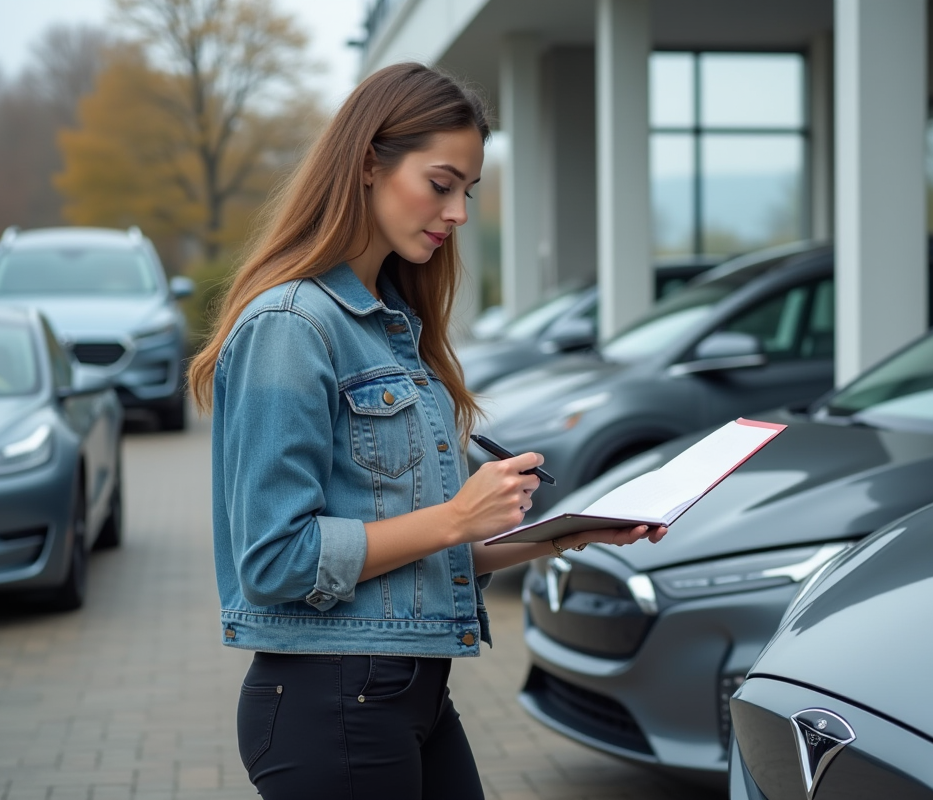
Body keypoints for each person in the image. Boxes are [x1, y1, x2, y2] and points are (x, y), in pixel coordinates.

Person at [187, 62, 667, 800]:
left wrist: (572, 534)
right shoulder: (291, 327)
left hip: (405, 694)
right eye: (441, 184)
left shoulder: (391, 328)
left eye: (467, 191)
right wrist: (453, 517)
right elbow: (276, 559)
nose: (459, 213)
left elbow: (418, 558)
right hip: (332, 701)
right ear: (368, 165)